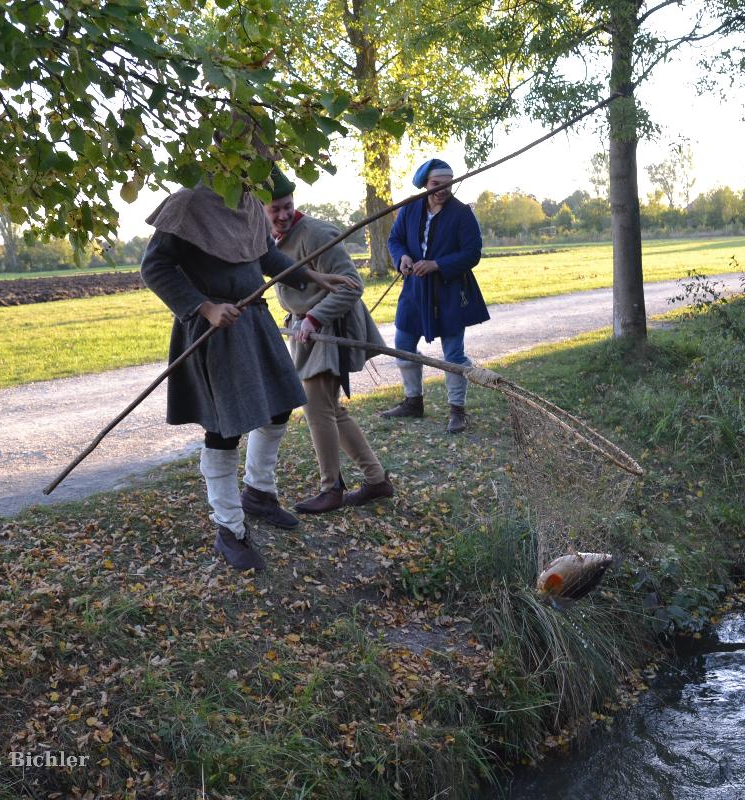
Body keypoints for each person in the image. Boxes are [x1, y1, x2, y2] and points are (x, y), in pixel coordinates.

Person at [141, 180, 357, 571]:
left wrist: (314, 277)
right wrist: (206, 308)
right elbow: (154, 267)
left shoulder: (247, 203)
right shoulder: (188, 205)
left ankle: (258, 493)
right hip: (215, 329)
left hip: (255, 320)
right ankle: (229, 529)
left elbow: (266, 256)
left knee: (279, 408)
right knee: (224, 428)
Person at [263, 169, 395, 512]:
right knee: (330, 409)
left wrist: (313, 317)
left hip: (328, 329)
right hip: (305, 329)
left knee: (317, 408)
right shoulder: (269, 239)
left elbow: (352, 286)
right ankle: (376, 480)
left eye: (287, 206)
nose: (283, 215)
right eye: (275, 209)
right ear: (261, 209)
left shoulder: (318, 233)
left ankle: (331, 489)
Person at [381, 158, 487, 433]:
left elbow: (472, 253)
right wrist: (402, 258)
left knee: (453, 353)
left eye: (448, 184)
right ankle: (413, 401)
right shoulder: (410, 208)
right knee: (403, 343)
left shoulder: (462, 213)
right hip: (415, 290)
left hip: (450, 290)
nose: (443, 189)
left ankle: (457, 410)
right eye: (436, 184)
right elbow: (395, 240)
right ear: (425, 184)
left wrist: (437, 264)